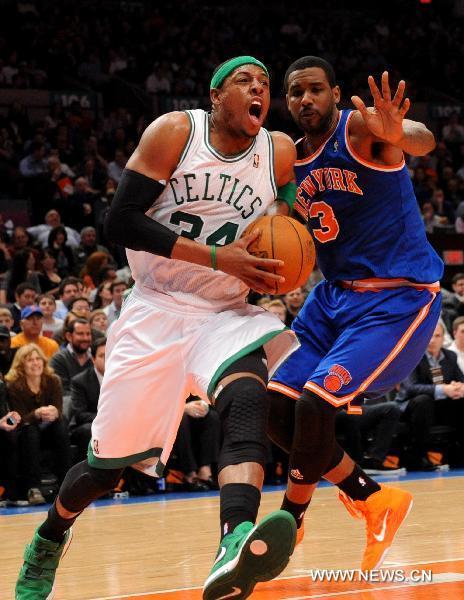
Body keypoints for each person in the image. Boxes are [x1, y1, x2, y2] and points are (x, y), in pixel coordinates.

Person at [16, 55, 301, 600]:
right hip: (156, 308)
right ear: (216, 96)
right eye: (245, 81)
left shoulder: (278, 151)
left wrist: (278, 253)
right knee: (104, 470)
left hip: (225, 312)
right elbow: (118, 221)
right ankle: (50, 536)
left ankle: (234, 538)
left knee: (246, 395)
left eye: (265, 84)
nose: (258, 89)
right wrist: (220, 258)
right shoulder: (176, 132)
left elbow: (285, 212)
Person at [265, 56, 443, 572]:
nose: (305, 100)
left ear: (335, 94)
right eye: (296, 92)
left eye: (315, 90)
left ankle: (289, 517)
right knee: (279, 407)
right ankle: (372, 498)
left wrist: (403, 133)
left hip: (396, 296)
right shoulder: (290, 162)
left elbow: (423, 138)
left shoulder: (363, 128)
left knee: (316, 406)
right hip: (333, 297)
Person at [5, 344, 71, 505]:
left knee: (60, 426)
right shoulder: (14, 386)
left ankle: (67, 484)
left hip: (50, 429)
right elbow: (18, 418)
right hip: (25, 431)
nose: (35, 363)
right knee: (31, 431)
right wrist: (36, 414)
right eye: (30, 360)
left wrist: (54, 412)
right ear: (21, 365)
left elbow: (59, 409)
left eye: (38, 359)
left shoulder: (53, 380)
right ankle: (33, 488)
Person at [395, 322, 464, 468]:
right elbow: (410, 387)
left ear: (443, 338)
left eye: (437, 336)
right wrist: (443, 389)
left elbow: (460, 380)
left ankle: (458, 454)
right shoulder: (412, 355)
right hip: (410, 406)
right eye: (429, 336)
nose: (432, 340)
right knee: (423, 401)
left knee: (460, 400)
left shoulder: (450, 356)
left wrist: (459, 388)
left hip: (440, 406)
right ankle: (418, 455)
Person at [70, 337, 106, 460]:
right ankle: (88, 475)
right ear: (93, 359)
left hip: (118, 423)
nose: (109, 359)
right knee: (89, 430)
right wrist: (106, 420)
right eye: (103, 356)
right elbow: (80, 414)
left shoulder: (124, 378)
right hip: (88, 425)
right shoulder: (80, 381)